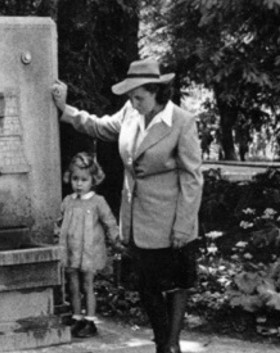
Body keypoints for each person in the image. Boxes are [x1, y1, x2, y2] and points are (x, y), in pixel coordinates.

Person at [51, 57, 203, 353]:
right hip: (136, 217)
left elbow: (193, 178)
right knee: (147, 286)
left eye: (139, 97)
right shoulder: (131, 112)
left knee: (175, 283)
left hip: (171, 218)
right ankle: (165, 342)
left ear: (157, 91)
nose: (133, 103)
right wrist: (65, 110)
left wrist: (183, 226)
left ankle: (169, 345)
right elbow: (100, 126)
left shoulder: (182, 122)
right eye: (130, 97)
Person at [58, 152, 122, 338]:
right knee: (73, 285)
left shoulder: (98, 202)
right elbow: (60, 222)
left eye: (84, 180)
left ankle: (91, 320)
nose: (79, 184)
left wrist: (116, 239)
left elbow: (109, 221)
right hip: (72, 251)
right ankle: (77, 318)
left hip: (88, 251)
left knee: (87, 285)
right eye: (75, 179)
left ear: (93, 180)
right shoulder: (68, 201)